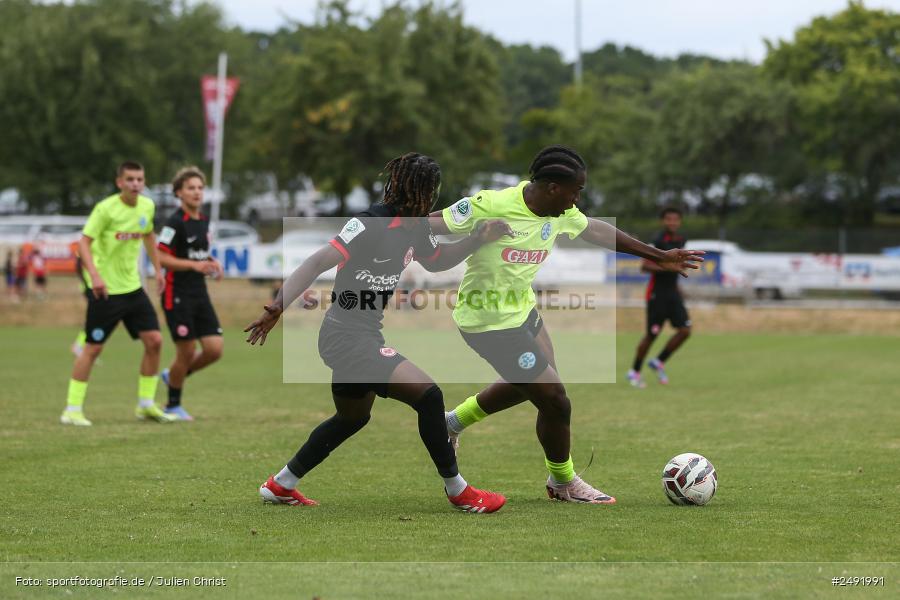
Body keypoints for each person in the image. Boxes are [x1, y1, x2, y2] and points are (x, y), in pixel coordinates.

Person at [429, 145, 704, 504]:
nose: (577, 199)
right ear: (553, 188)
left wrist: (658, 255)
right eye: (575, 190)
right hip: (487, 323)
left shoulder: (560, 211)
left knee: (543, 391)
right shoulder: (490, 204)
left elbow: (597, 231)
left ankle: (452, 422)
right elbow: (430, 224)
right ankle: (563, 482)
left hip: (524, 312)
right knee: (556, 400)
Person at [245, 152, 512, 512]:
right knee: (429, 396)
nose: (433, 198)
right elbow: (316, 262)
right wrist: (278, 306)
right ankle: (459, 491)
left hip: (364, 337)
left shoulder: (416, 228)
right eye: (432, 190)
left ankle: (281, 484)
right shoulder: (369, 223)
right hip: (345, 337)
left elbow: (439, 262)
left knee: (352, 418)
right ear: (418, 190)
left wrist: (479, 237)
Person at [60, 161, 174, 426]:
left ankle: (146, 405)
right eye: (130, 179)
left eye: (140, 179)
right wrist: (95, 277)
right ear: (119, 182)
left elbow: (148, 236)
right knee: (93, 348)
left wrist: (158, 271)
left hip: (133, 288)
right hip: (105, 290)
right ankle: (72, 409)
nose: (135, 184)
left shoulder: (147, 206)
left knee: (155, 341)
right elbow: (83, 244)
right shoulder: (106, 209)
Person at [157, 166, 224, 421]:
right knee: (185, 351)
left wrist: (211, 262)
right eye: (190, 188)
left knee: (214, 349)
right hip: (176, 293)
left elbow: (198, 253)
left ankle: (173, 375)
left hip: (199, 292)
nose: (196, 192)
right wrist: (196, 265)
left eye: (199, 188)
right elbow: (162, 257)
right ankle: (172, 405)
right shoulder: (174, 223)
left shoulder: (203, 220)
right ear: (179, 193)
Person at [627, 207, 691, 388]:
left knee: (685, 330)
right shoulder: (657, 240)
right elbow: (645, 266)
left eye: (675, 219)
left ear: (680, 221)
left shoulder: (681, 240)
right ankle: (634, 372)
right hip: (657, 295)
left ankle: (658, 361)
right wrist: (667, 266)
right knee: (652, 335)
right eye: (669, 219)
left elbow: (677, 268)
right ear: (663, 221)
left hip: (673, 294)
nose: (672, 222)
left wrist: (678, 288)